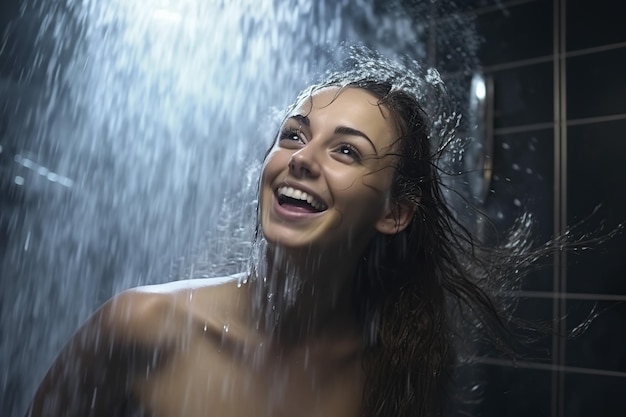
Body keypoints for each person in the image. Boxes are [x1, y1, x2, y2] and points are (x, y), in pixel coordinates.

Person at [25, 46, 531, 417]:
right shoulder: (141, 326)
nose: (302, 160)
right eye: (293, 136)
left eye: (346, 151)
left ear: (395, 212)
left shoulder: (392, 367)